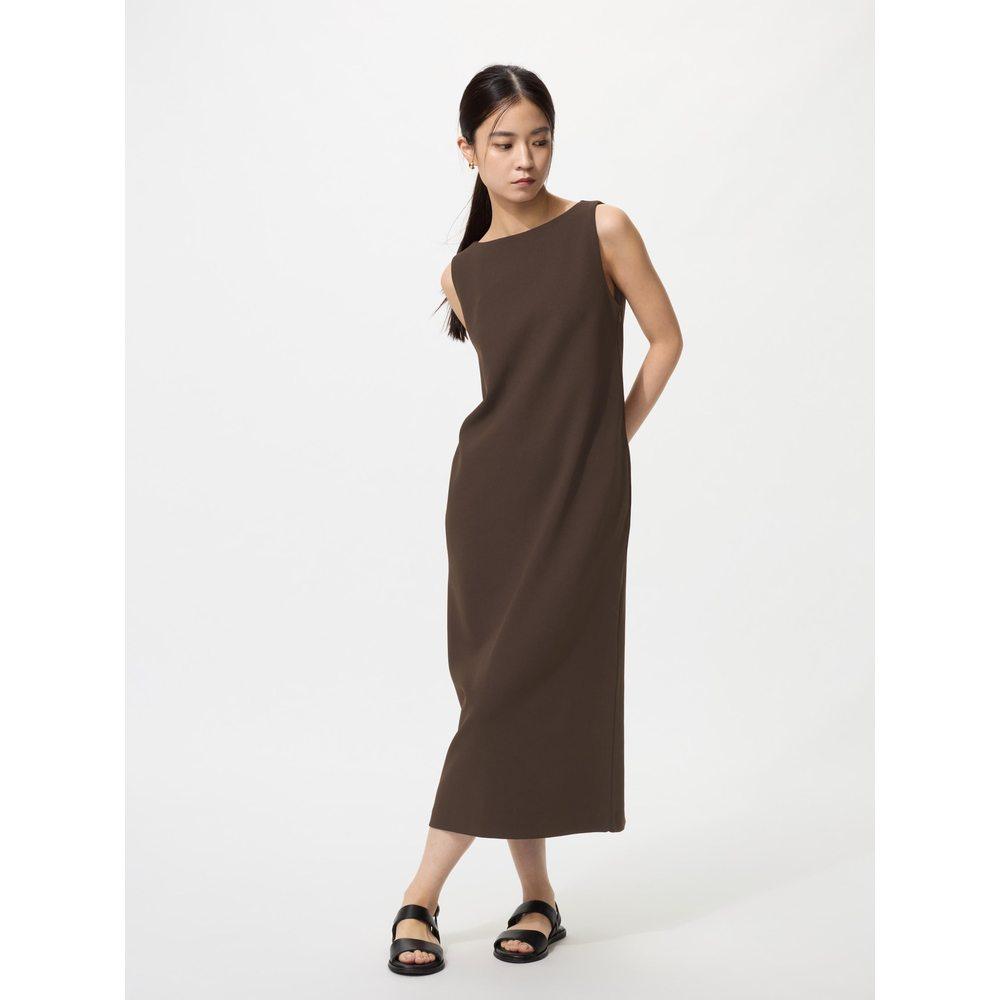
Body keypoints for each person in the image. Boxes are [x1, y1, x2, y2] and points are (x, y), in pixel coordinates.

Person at [388, 64, 683, 976]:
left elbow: (666, 339)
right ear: (468, 151)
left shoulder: (602, 227)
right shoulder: (462, 272)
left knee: (520, 691)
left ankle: (419, 895)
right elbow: (517, 397)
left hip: (582, 498)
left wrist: (608, 441)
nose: (525, 159)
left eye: (540, 139)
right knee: (498, 696)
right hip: (487, 502)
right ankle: (539, 896)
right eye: (504, 143)